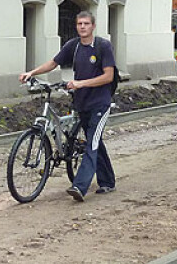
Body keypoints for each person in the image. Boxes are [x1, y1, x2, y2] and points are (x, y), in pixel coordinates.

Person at [19, 11, 116, 202]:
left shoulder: (103, 46)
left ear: (93, 26)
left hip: (100, 104)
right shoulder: (73, 46)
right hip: (82, 103)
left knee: (92, 144)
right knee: (94, 141)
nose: (82, 27)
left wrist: (80, 83)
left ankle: (79, 187)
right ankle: (108, 181)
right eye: (79, 23)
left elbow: (109, 76)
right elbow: (53, 63)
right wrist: (32, 72)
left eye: (86, 23)